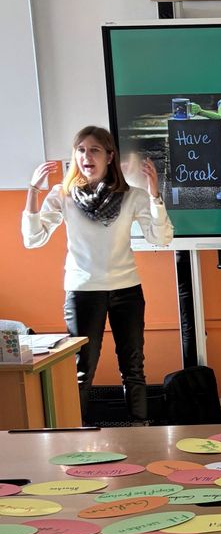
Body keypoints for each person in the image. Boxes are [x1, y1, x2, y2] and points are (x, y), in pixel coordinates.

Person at [22, 126, 173, 424]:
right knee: (82, 368)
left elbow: (161, 238)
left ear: (109, 156)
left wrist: (155, 196)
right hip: (82, 291)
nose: (86, 156)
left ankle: (140, 429)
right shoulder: (63, 195)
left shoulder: (132, 196)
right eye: (80, 150)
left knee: (133, 367)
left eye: (94, 150)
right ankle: (76, 431)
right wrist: (33, 191)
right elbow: (33, 239)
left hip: (127, 290)